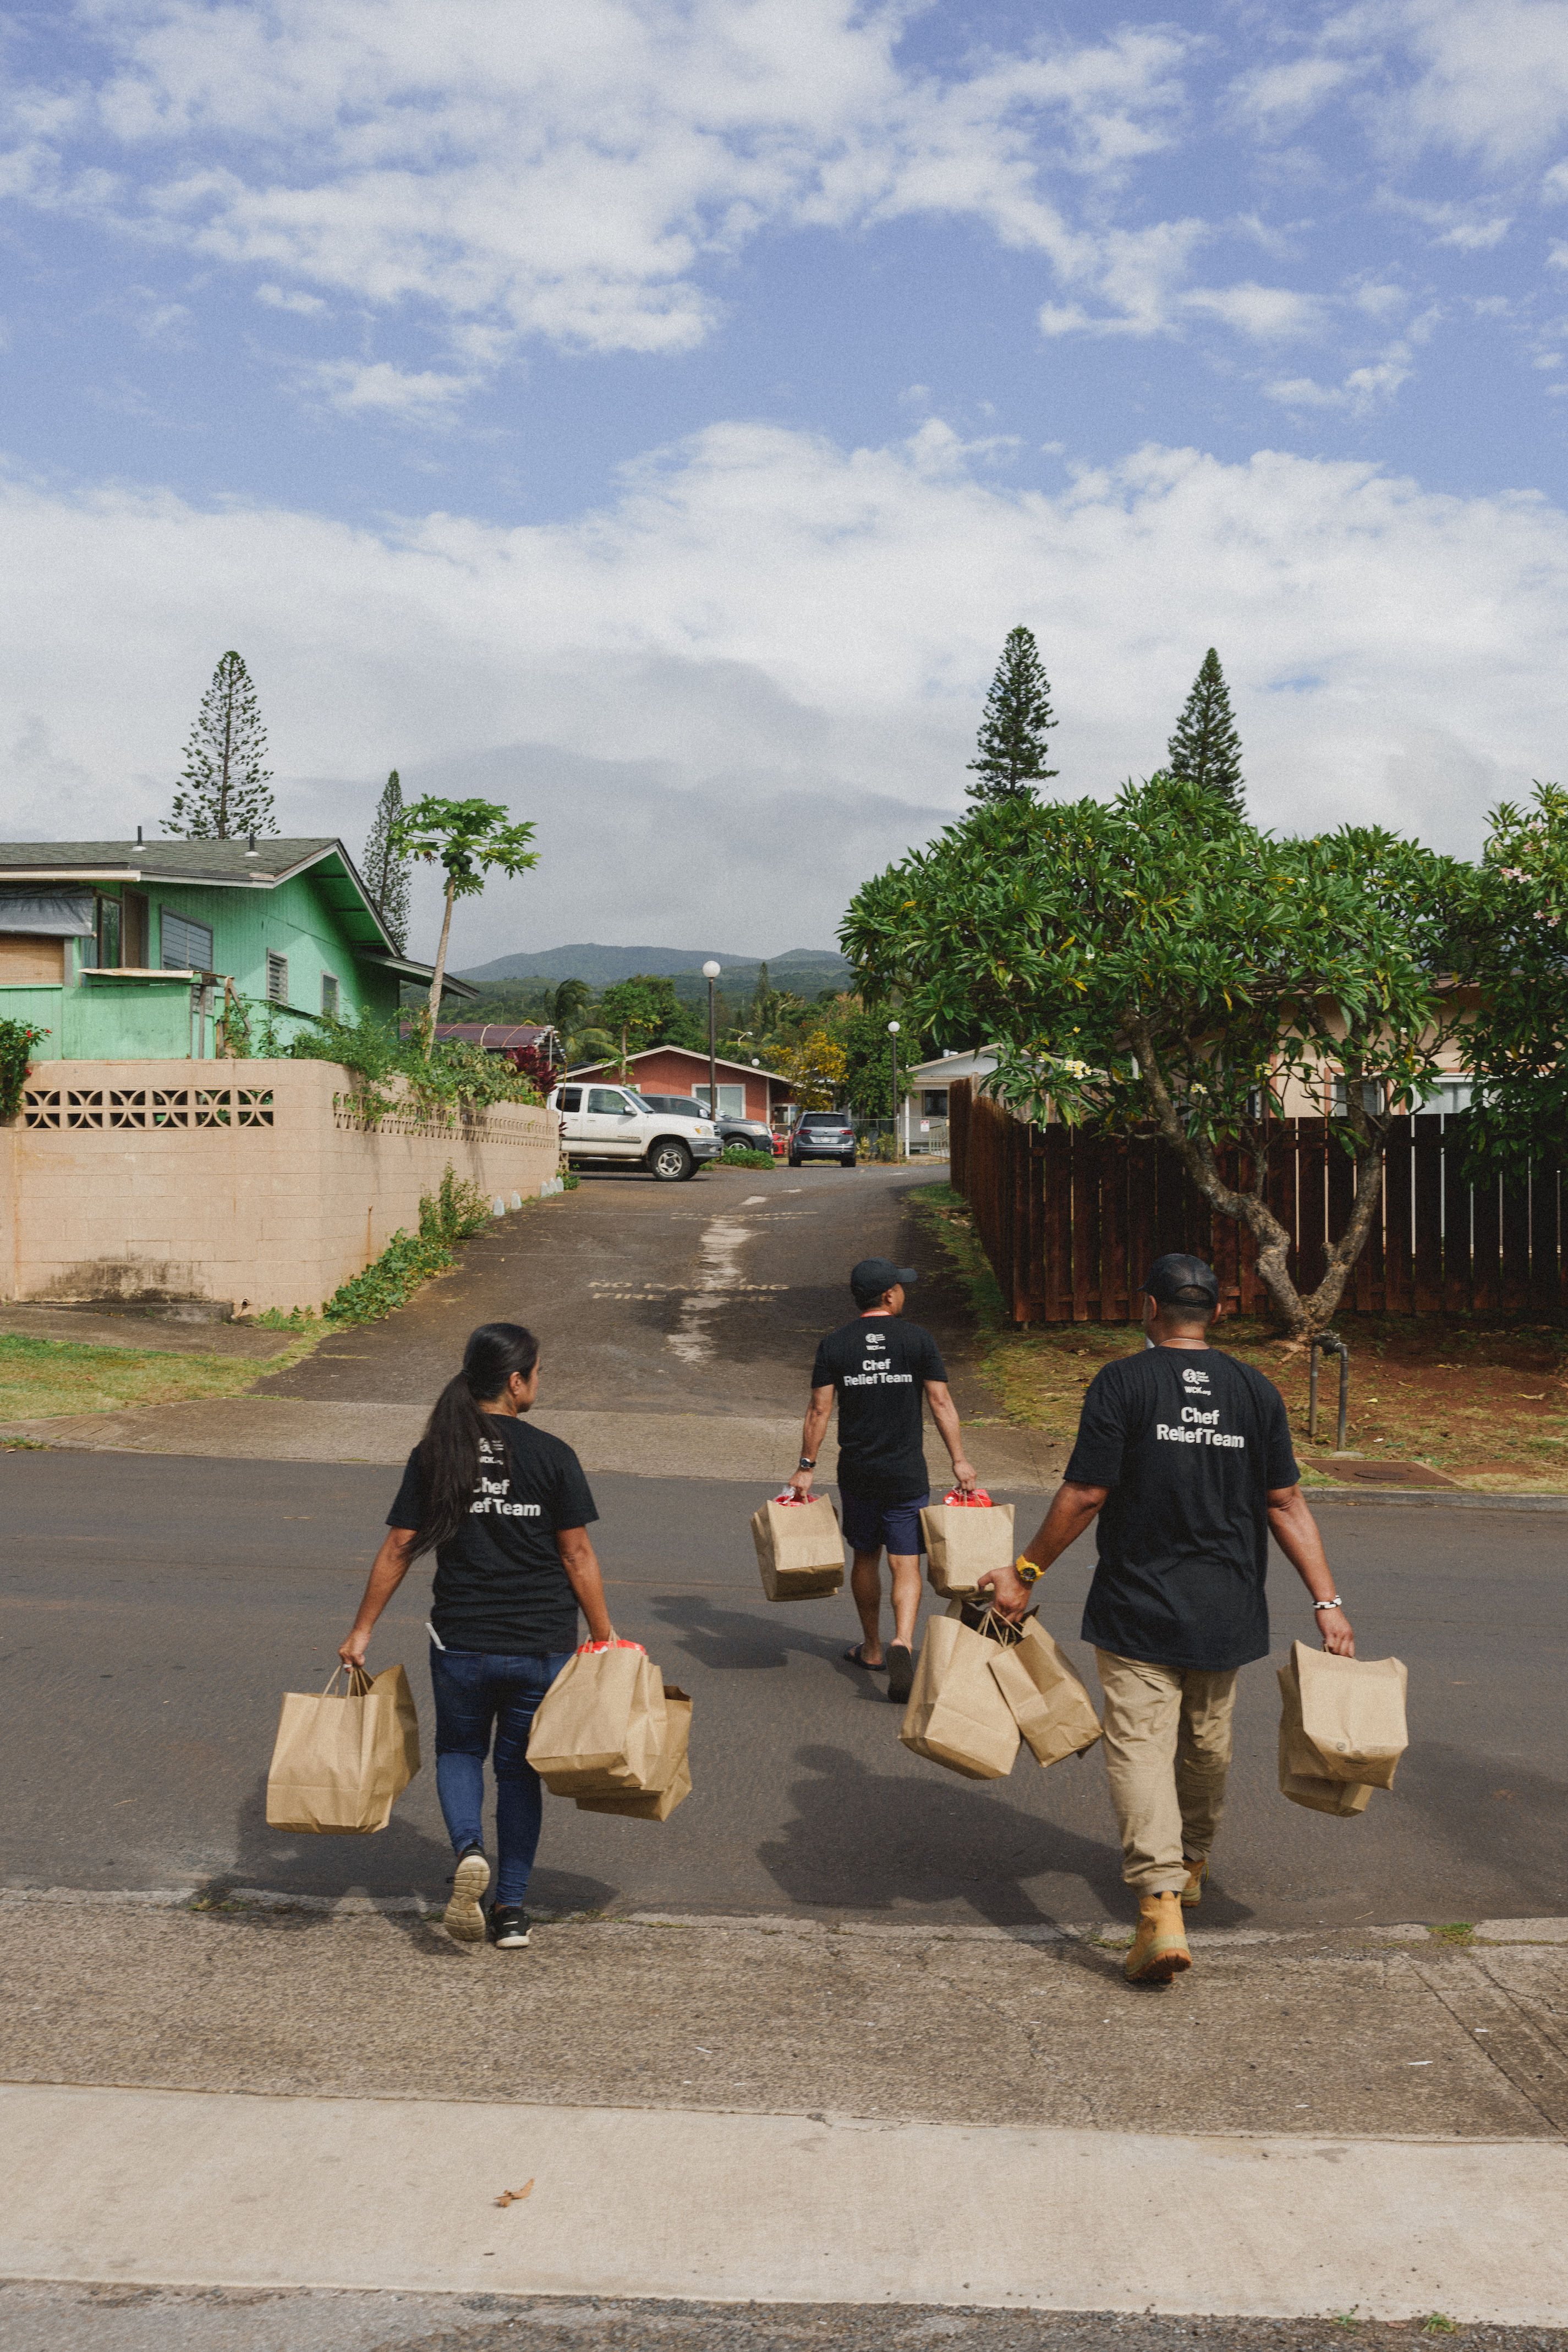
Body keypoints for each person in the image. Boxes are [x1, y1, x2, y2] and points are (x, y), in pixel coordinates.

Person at [979, 1253, 1353, 1987]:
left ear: (1149, 1306)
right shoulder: (1254, 1389)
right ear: (1213, 1310)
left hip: (1136, 1602)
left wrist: (1023, 1572)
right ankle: (1191, 1863)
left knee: (1141, 1746)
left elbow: (1085, 1492)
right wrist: (1327, 1603)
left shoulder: (1122, 1381)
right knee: (1207, 1743)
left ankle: (1157, 1903)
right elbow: (1285, 1502)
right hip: (1227, 1606)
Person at [338, 1322, 612, 1951]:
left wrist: (362, 1630)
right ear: (516, 1383)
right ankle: (511, 1911)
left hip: (462, 1642)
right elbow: (578, 1557)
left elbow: (400, 1547)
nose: (540, 1383)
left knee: (460, 1753)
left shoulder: (438, 1452)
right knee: (519, 1774)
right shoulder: (552, 1454)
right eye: (537, 1373)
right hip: (541, 1646)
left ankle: (468, 1849)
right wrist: (604, 1638)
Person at [790, 1256, 977, 1704]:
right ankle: (903, 1642)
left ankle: (872, 1648)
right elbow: (941, 1401)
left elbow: (820, 1409)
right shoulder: (918, 1339)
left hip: (858, 1472)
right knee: (906, 1562)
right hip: (906, 1473)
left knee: (865, 1558)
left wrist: (806, 1465)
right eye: (902, 1286)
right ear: (890, 1295)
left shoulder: (835, 1344)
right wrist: (961, 1461)